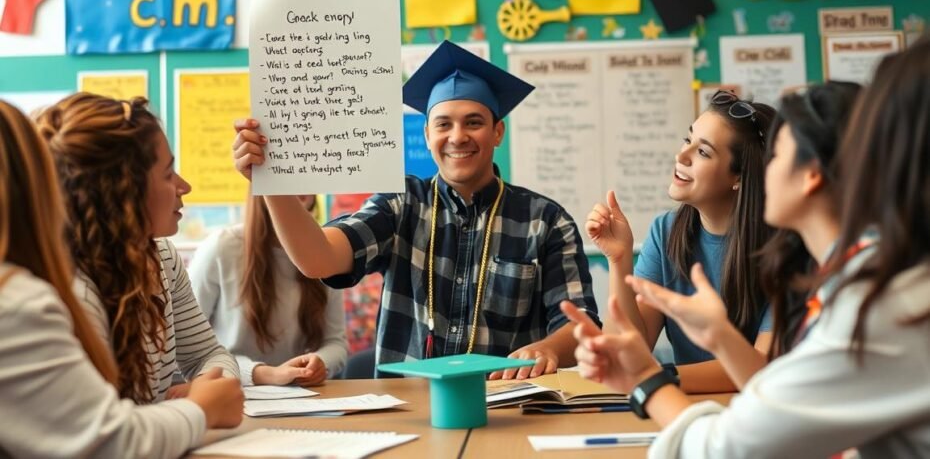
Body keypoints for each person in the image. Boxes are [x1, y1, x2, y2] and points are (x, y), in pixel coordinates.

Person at [565, 40, 930, 458]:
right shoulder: (866, 278)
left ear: (810, 175)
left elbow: (725, 449)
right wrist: (715, 336)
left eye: (775, 156)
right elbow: (773, 395)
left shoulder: (870, 301)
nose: (764, 169)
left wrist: (647, 378)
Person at [233, 41, 600, 379]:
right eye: (444, 124)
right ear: (426, 135)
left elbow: (583, 325)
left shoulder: (545, 220)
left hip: (508, 404)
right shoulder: (401, 203)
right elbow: (319, 259)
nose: (458, 136)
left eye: (474, 122)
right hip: (409, 408)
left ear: (497, 132)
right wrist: (271, 181)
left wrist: (548, 348)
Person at [0, 100, 243, 458]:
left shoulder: (160, 257)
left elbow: (207, 353)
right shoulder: (62, 293)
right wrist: (201, 408)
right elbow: (109, 440)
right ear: (123, 194)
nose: (184, 185)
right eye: (167, 173)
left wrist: (209, 388)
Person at [585, 90, 775, 391]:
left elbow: (761, 366)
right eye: (688, 140)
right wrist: (619, 260)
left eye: (703, 152)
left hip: (755, 411)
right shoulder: (666, 231)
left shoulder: (780, 249)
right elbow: (631, 348)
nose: (681, 156)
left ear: (738, 177)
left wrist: (655, 378)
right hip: (685, 404)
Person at [189, 193, 348, 386]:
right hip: (233, 392)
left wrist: (320, 362)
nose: (298, 183)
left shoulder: (327, 251)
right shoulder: (220, 248)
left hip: (300, 396)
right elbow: (189, 349)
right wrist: (264, 374)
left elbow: (336, 343)